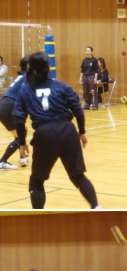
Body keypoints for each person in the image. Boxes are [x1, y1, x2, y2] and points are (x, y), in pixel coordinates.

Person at [13, 52, 98, 209]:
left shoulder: (26, 90)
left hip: (44, 134)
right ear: (48, 68)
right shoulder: (62, 86)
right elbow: (78, 110)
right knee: (78, 176)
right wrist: (82, 132)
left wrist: (22, 143)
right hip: (67, 131)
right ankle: (96, 207)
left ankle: (38, 215)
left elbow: (19, 119)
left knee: (37, 180)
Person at [0, 56, 30, 170]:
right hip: (9, 107)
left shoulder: (22, 76)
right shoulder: (29, 78)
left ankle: (22, 157)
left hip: (4, 104)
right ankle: (2, 161)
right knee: (20, 135)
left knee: (21, 132)